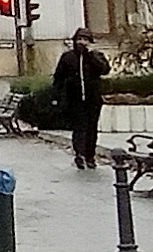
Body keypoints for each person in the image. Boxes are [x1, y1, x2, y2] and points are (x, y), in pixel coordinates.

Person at [48, 26, 111, 170]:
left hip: (93, 99)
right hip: (74, 98)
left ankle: (90, 156)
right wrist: (55, 96)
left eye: (85, 40)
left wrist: (92, 56)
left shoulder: (95, 56)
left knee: (91, 128)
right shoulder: (68, 57)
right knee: (79, 128)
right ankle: (79, 154)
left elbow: (105, 70)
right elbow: (59, 77)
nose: (82, 42)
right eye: (79, 39)